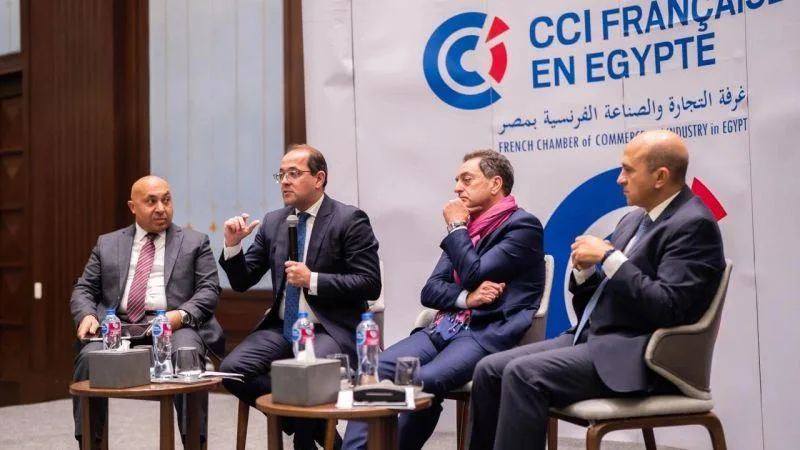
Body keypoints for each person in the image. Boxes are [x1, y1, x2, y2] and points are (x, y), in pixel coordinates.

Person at [468, 130, 726, 450]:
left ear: (660, 176)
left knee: (522, 374)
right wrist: (586, 272)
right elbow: (599, 303)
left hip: (643, 357)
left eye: (628, 170)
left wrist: (608, 257)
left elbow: (668, 307)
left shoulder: (693, 224)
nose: (620, 179)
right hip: (596, 338)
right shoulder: (633, 220)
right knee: (489, 369)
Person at [343, 150, 545, 450]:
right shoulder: (468, 228)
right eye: (456, 181)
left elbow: (475, 271)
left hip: (484, 334)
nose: (457, 188)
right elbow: (431, 290)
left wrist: (456, 228)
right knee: (375, 369)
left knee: (421, 381)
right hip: (444, 327)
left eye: (467, 179)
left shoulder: (522, 226)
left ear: (495, 183)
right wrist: (466, 298)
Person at [218, 144, 381, 449]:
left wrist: (313, 280)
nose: (284, 181)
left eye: (294, 174)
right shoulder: (274, 221)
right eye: (281, 174)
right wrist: (232, 246)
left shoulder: (349, 219)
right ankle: (309, 426)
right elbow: (242, 281)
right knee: (231, 371)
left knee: (307, 376)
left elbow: (370, 283)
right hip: (282, 328)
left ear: (319, 178)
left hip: (330, 328)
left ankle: (305, 440)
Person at [70, 175, 223, 448]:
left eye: (166, 200)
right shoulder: (108, 244)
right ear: (132, 206)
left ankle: (193, 444)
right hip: (119, 327)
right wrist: (87, 316)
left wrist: (181, 315)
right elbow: (84, 289)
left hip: (175, 325)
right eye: (151, 201)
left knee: (185, 354)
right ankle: (90, 443)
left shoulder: (194, 242)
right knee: (89, 359)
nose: (161, 208)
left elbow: (209, 289)